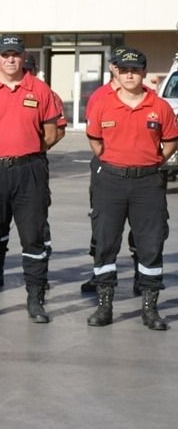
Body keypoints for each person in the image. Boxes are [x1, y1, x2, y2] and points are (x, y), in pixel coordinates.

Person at [0, 34, 60, 323]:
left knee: (33, 237)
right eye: (5, 55)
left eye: (16, 54)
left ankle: (36, 301)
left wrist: (25, 150)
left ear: (23, 56)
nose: (11, 59)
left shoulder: (40, 90)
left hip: (30, 171)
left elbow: (51, 134)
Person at [85, 48, 177, 330]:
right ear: (117, 72)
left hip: (148, 183)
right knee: (105, 243)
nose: (129, 75)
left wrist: (151, 163)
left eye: (134, 71)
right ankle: (104, 307)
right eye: (124, 70)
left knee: (150, 245)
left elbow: (171, 141)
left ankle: (150, 310)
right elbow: (96, 142)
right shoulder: (103, 103)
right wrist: (117, 163)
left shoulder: (159, 106)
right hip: (110, 182)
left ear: (143, 73)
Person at [79, 46, 139, 295]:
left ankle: (140, 275)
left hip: (140, 173)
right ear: (112, 67)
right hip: (106, 168)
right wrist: (107, 159)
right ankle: (100, 274)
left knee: (142, 226)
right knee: (101, 222)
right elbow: (94, 134)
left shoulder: (146, 95)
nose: (121, 70)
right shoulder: (100, 96)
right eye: (117, 64)